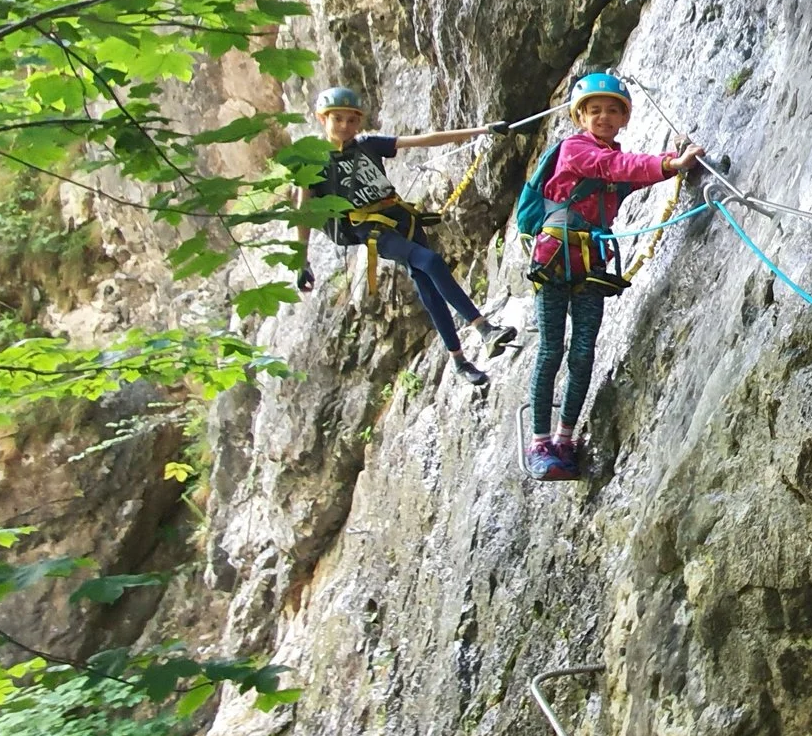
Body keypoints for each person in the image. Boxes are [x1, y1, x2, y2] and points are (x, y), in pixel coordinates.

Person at [524, 73, 704, 482]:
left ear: (624, 117)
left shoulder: (607, 160)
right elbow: (614, 166)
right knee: (552, 352)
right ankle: (539, 443)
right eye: (595, 110)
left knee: (583, 353)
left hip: (590, 266)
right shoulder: (575, 149)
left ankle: (564, 439)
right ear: (581, 117)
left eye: (612, 110)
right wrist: (669, 163)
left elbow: (626, 176)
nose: (603, 117)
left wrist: (672, 165)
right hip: (554, 260)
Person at [293, 86, 517, 386]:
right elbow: (303, 209)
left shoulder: (367, 144)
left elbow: (426, 140)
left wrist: (482, 131)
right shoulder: (311, 162)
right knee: (432, 261)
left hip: (401, 218)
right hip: (371, 230)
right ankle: (484, 328)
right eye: (338, 119)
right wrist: (302, 260)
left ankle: (460, 361)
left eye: (351, 119)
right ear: (323, 120)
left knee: (426, 282)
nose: (345, 126)